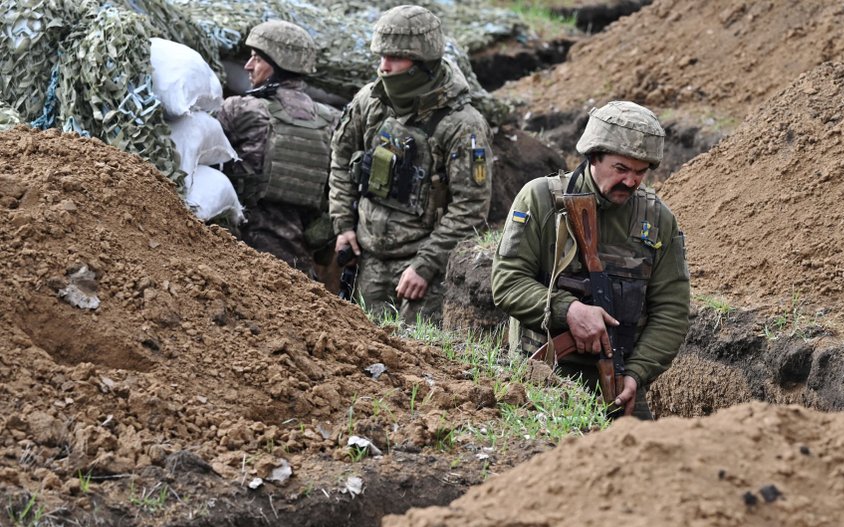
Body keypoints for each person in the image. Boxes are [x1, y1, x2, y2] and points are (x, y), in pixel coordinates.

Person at [491, 101, 690, 419]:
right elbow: (507, 282)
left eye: (640, 172)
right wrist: (567, 309)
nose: (631, 181)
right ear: (592, 156)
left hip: (619, 384)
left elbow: (672, 311)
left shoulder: (658, 220)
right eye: (621, 169)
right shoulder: (541, 199)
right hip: (540, 377)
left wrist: (636, 375)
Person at [329, 4, 492, 323]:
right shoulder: (369, 102)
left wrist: (425, 265)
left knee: (415, 361)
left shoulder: (462, 125)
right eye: (381, 57)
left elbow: (471, 206)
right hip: (367, 260)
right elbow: (340, 160)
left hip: (424, 270)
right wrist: (343, 225)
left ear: (422, 64)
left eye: (394, 58)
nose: (384, 67)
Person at [217, 20, 340, 281]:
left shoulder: (242, 109)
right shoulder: (333, 120)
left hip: (243, 253)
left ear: (278, 65)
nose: (248, 66)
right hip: (300, 264)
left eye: (257, 59)